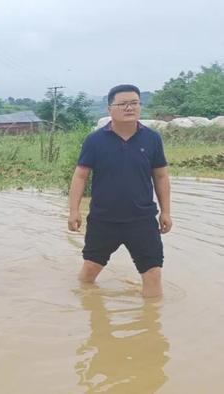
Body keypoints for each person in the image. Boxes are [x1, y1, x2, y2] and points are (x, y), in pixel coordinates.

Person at [68, 84, 172, 298]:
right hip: (104, 219)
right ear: (109, 110)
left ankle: (152, 324)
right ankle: (87, 308)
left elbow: (161, 176)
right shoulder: (95, 140)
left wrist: (166, 212)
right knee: (90, 270)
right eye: (123, 103)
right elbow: (80, 176)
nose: (129, 108)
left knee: (152, 273)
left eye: (134, 103)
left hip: (142, 219)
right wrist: (73, 211)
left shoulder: (152, 139)